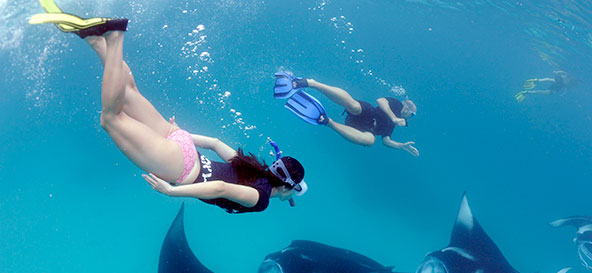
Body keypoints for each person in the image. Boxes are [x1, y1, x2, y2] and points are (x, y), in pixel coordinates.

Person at [30, 3, 307, 214]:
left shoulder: (254, 167)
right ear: (288, 188)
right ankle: (115, 36)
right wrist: (172, 192)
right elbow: (221, 188)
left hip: (182, 144)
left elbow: (213, 142)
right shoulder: (261, 197)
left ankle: (93, 39)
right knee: (111, 118)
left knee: (128, 93)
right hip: (180, 168)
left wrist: (178, 132)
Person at [274, 72, 420, 157]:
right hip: (368, 113)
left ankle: (327, 121)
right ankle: (311, 83)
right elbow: (381, 101)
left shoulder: (393, 125)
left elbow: (386, 141)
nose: (410, 118)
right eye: (412, 115)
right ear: (407, 109)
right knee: (354, 106)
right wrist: (394, 117)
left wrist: (401, 146)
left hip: (363, 129)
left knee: (370, 140)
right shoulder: (396, 104)